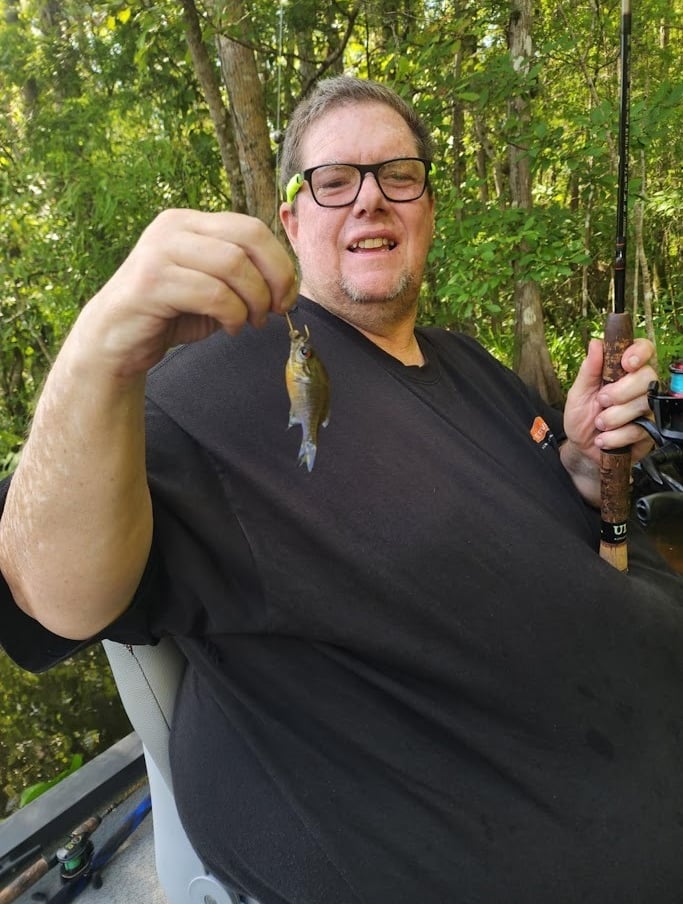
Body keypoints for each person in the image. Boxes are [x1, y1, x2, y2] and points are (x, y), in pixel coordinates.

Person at [0, 76, 681, 904]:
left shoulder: (465, 360)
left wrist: (576, 464)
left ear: (426, 207)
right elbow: (47, 596)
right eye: (333, 181)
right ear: (291, 219)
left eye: (398, 175)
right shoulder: (204, 384)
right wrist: (99, 351)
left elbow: (529, 510)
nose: (369, 201)